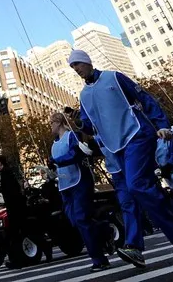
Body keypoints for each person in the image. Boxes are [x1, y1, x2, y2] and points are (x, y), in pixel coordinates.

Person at [69, 50, 173, 275]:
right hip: (115, 149)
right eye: (73, 67)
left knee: (138, 186)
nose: (76, 69)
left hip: (137, 136)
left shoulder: (114, 77)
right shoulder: (84, 95)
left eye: (78, 63)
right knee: (141, 196)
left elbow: (144, 98)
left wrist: (161, 124)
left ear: (87, 61)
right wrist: (79, 124)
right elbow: (90, 125)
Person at [49, 112, 111, 272]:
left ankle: (99, 259)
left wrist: (57, 161)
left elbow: (75, 154)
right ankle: (104, 230)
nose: (50, 126)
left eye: (51, 123)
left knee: (82, 219)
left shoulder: (72, 136)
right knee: (75, 221)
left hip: (79, 182)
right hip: (64, 187)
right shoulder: (53, 145)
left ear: (59, 122)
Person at [96, 139, 145, 265]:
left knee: (150, 198)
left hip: (132, 161)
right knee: (127, 204)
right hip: (116, 170)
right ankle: (133, 246)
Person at [0, 155, 28, 266]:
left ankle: (16, 260)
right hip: (16, 207)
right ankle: (18, 259)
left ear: (1, 164)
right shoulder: (9, 173)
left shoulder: (5, 174)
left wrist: (1, 189)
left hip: (14, 208)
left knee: (14, 235)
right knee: (22, 232)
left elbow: (10, 191)